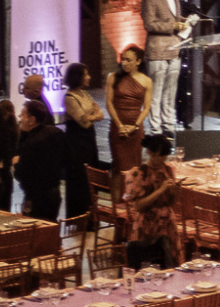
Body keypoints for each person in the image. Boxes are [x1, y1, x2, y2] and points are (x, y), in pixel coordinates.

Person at [140, 0, 194, 137]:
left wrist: (184, 22)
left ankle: (168, 125)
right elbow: (149, 24)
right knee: (156, 92)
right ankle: (155, 128)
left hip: (174, 47)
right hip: (157, 50)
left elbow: (175, 17)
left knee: (171, 92)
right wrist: (172, 27)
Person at [120, 134, 182, 269]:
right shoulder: (137, 174)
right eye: (161, 156)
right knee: (146, 266)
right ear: (150, 152)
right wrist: (160, 190)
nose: (163, 160)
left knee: (169, 265)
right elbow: (138, 206)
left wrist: (177, 191)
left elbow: (172, 202)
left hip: (167, 224)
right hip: (147, 226)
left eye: (165, 156)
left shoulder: (168, 170)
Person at [13, 99, 65, 222]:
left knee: (36, 232)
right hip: (55, 192)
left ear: (32, 120)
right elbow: (66, 159)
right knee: (51, 227)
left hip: (36, 197)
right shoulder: (56, 132)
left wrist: (16, 163)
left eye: (23, 114)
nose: (20, 118)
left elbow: (21, 174)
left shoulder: (31, 143)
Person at [62, 62, 100, 222]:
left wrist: (90, 115)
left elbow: (100, 114)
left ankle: (92, 217)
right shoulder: (69, 98)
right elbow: (83, 122)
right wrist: (92, 114)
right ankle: (80, 218)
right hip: (77, 144)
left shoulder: (85, 95)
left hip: (89, 141)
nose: (89, 77)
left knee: (92, 177)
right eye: (86, 74)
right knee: (80, 180)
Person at [105, 45, 152, 174]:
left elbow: (146, 108)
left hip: (135, 129)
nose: (124, 63)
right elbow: (109, 103)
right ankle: (118, 194)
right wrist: (119, 125)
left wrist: (135, 126)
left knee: (134, 167)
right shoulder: (113, 77)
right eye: (123, 59)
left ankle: (133, 193)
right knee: (118, 167)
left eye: (129, 60)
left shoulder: (146, 81)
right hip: (117, 127)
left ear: (138, 61)